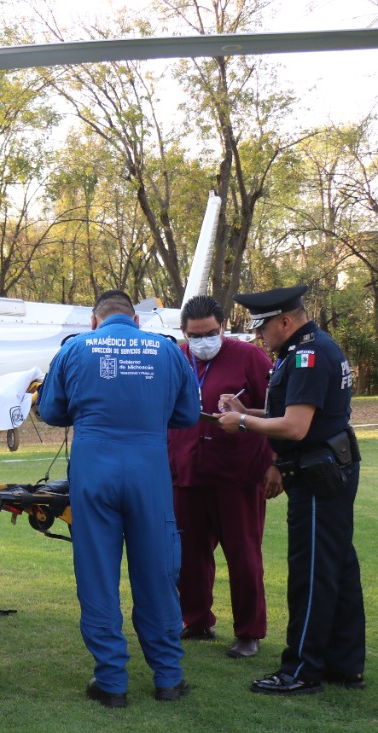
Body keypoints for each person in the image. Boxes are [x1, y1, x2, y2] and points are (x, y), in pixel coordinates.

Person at [38, 289, 200, 707]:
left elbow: (51, 411)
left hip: (93, 472)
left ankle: (111, 682)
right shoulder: (167, 351)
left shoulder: (75, 349)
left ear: (94, 321)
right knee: (158, 572)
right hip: (149, 472)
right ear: (137, 320)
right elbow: (187, 415)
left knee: (97, 574)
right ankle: (168, 677)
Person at [217, 284, 365, 695]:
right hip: (328, 467)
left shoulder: (307, 355)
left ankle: (301, 670)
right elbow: (296, 414)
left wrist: (242, 423)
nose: (259, 336)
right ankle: (344, 664)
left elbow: (296, 427)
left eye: (262, 328)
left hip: (317, 474)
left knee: (312, 573)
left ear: (285, 322)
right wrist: (249, 411)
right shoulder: (312, 347)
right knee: (338, 568)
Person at [167, 296, 278, 659]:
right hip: (186, 471)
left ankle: (249, 631)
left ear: (224, 327)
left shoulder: (250, 357)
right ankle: (196, 619)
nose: (204, 340)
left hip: (238, 473)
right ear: (184, 332)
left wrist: (275, 462)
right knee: (189, 556)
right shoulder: (176, 357)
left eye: (211, 332)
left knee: (243, 556)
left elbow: (279, 412)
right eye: (196, 335)